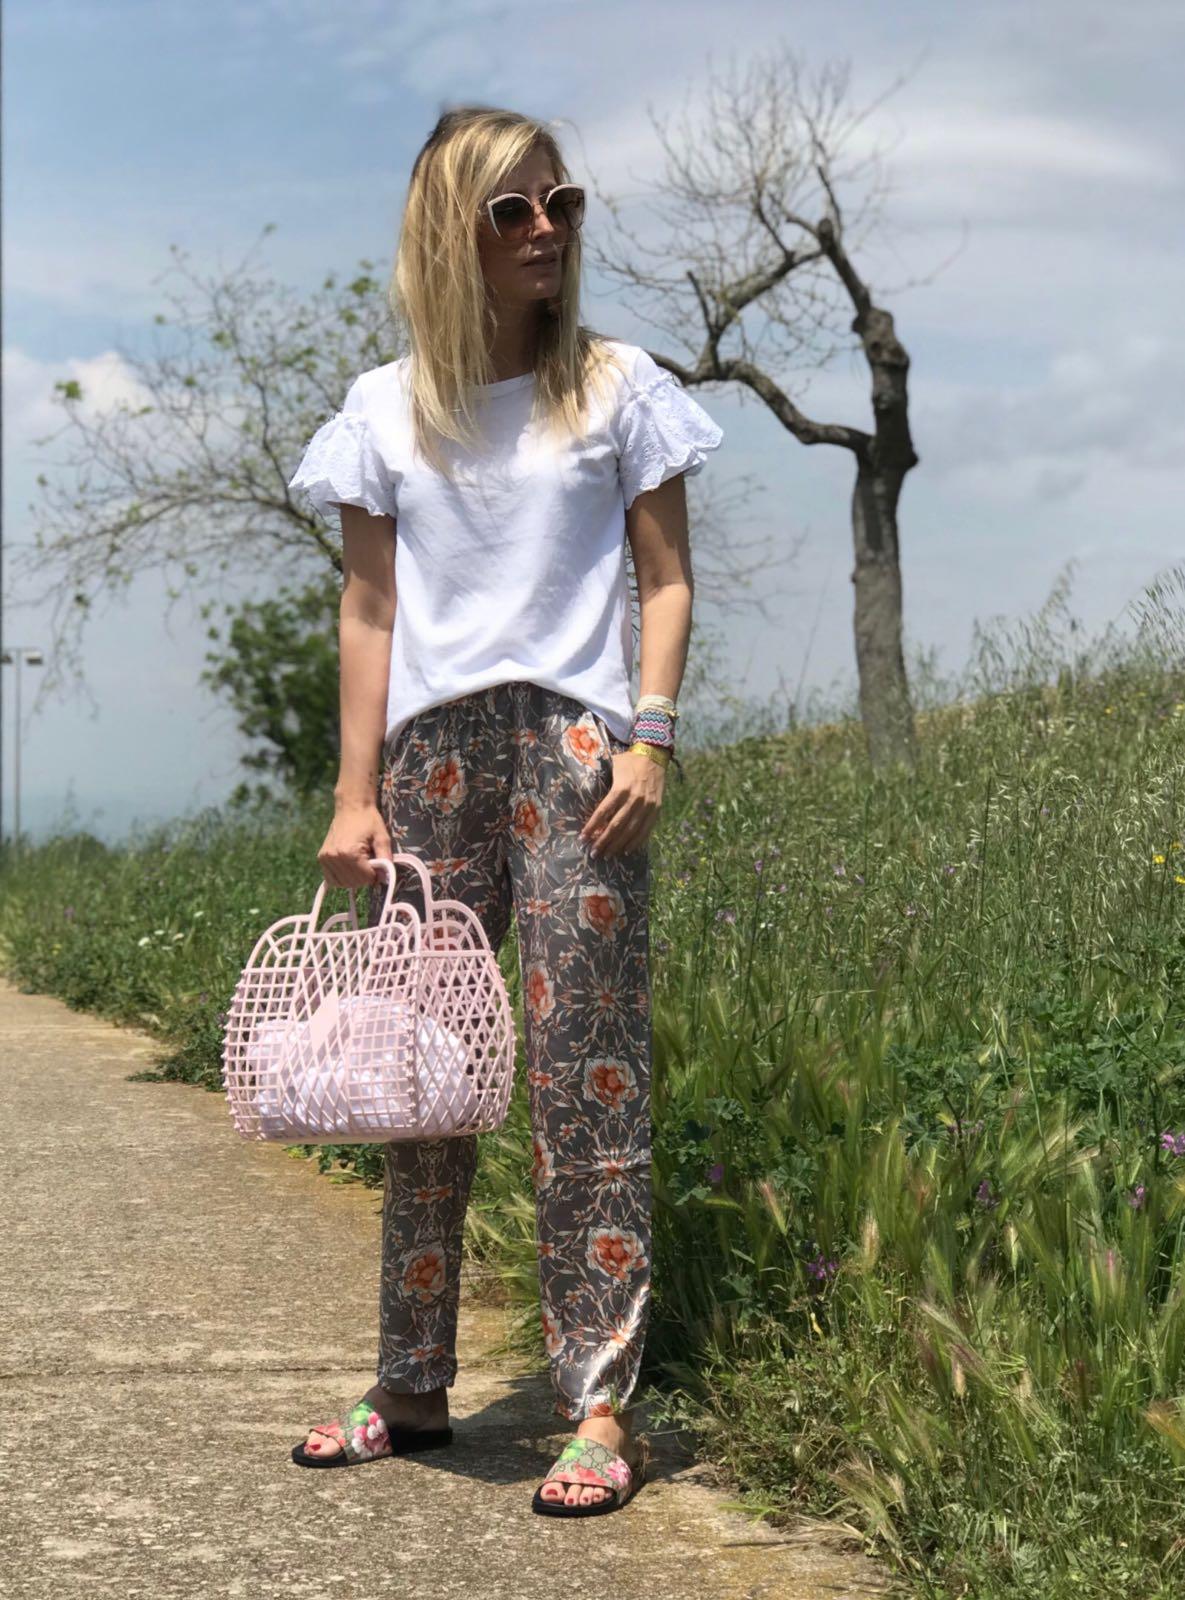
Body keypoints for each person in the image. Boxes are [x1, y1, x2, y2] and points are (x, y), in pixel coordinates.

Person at [284, 104, 723, 1516]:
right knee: (422, 1073)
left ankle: (597, 1406)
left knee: (588, 1070)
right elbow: (369, 609)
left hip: (581, 747)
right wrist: (354, 793)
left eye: (562, 204)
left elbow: (665, 579)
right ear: (447, 231)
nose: (547, 230)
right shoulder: (382, 409)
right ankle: (412, 1384)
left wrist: (650, 739)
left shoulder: (616, 386)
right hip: (430, 759)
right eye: (512, 210)